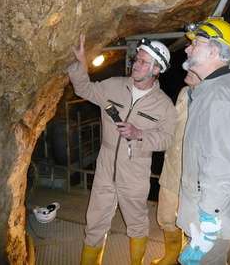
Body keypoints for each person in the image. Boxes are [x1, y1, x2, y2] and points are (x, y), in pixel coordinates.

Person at [68, 35, 177, 265]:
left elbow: (167, 139)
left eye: (144, 62)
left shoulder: (164, 105)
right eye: (137, 59)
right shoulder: (113, 85)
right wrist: (80, 65)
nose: (136, 64)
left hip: (136, 169)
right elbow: (84, 89)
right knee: (95, 221)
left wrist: (140, 134)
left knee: (136, 223)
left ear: (157, 69)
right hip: (106, 165)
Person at [176, 18, 230, 265]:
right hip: (203, 213)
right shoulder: (210, 90)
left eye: (196, 43)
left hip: (210, 220)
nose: (188, 48)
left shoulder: (221, 98)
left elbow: (222, 166)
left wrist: (207, 229)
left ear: (214, 50)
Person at [151, 69, 201, 265]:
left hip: (193, 173)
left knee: (192, 223)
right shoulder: (184, 92)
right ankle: (172, 255)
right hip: (172, 166)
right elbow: (173, 122)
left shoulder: (212, 98)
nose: (188, 67)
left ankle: (189, 258)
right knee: (165, 215)